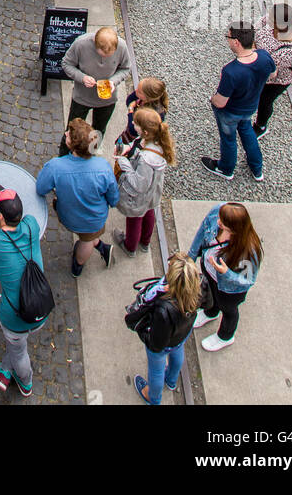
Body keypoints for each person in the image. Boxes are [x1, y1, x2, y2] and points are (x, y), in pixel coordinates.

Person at [0, 185, 47, 397]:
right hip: (41, 306)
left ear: (0, 216)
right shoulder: (31, 225)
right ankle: (5, 368)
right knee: (16, 347)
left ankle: (25, 382)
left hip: (15, 318)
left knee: (19, 352)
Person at [36, 118, 119, 274]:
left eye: (69, 135)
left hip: (70, 216)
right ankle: (99, 247)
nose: (66, 133)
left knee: (85, 242)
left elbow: (41, 188)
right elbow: (113, 198)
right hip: (94, 218)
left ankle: (78, 266)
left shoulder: (56, 166)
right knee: (88, 236)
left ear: (72, 145)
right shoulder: (103, 167)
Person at [201, 23, 275, 183]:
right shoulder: (264, 57)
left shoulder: (231, 71)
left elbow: (220, 102)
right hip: (250, 107)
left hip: (230, 112)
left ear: (236, 42)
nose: (227, 40)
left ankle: (226, 168)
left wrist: (211, 99)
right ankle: (257, 168)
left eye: (228, 37)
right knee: (247, 131)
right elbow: (273, 74)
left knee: (228, 139)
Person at [189, 202, 262, 351]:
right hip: (210, 273)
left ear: (235, 229)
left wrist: (226, 273)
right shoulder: (219, 211)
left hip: (229, 289)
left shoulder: (248, 250)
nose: (218, 222)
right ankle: (210, 312)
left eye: (223, 224)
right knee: (210, 295)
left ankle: (225, 336)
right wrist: (191, 256)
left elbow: (247, 280)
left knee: (228, 310)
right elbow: (202, 232)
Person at [132, 252, 202, 405]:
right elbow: (208, 303)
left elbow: (156, 344)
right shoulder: (199, 289)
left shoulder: (164, 308)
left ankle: (153, 398)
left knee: (156, 371)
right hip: (182, 334)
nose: (168, 264)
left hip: (165, 342)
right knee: (177, 353)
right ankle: (171, 380)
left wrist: (144, 334)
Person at [113, 107, 176, 256]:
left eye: (136, 123)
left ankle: (130, 247)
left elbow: (139, 185)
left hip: (141, 195)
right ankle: (145, 242)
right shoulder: (158, 141)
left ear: (145, 132)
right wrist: (130, 149)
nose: (132, 124)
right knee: (149, 213)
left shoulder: (147, 160)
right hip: (152, 194)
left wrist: (123, 162)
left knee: (134, 219)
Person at [60, 24, 131, 146]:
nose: (104, 58)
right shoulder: (81, 44)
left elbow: (125, 69)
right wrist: (82, 78)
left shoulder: (122, 46)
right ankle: (65, 155)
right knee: (72, 131)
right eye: (102, 54)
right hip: (82, 98)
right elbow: (66, 64)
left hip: (107, 100)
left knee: (98, 132)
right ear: (95, 43)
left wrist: (113, 81)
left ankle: (90, 156)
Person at [252, 2, 292, 134]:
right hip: (259, 69)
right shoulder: (269, 21)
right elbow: (253, 29)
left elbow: (269, 70)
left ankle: (261, 126)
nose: (267, 17)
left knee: (264, 102)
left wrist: (252, 49)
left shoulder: (290, 50)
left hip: (275, 82)